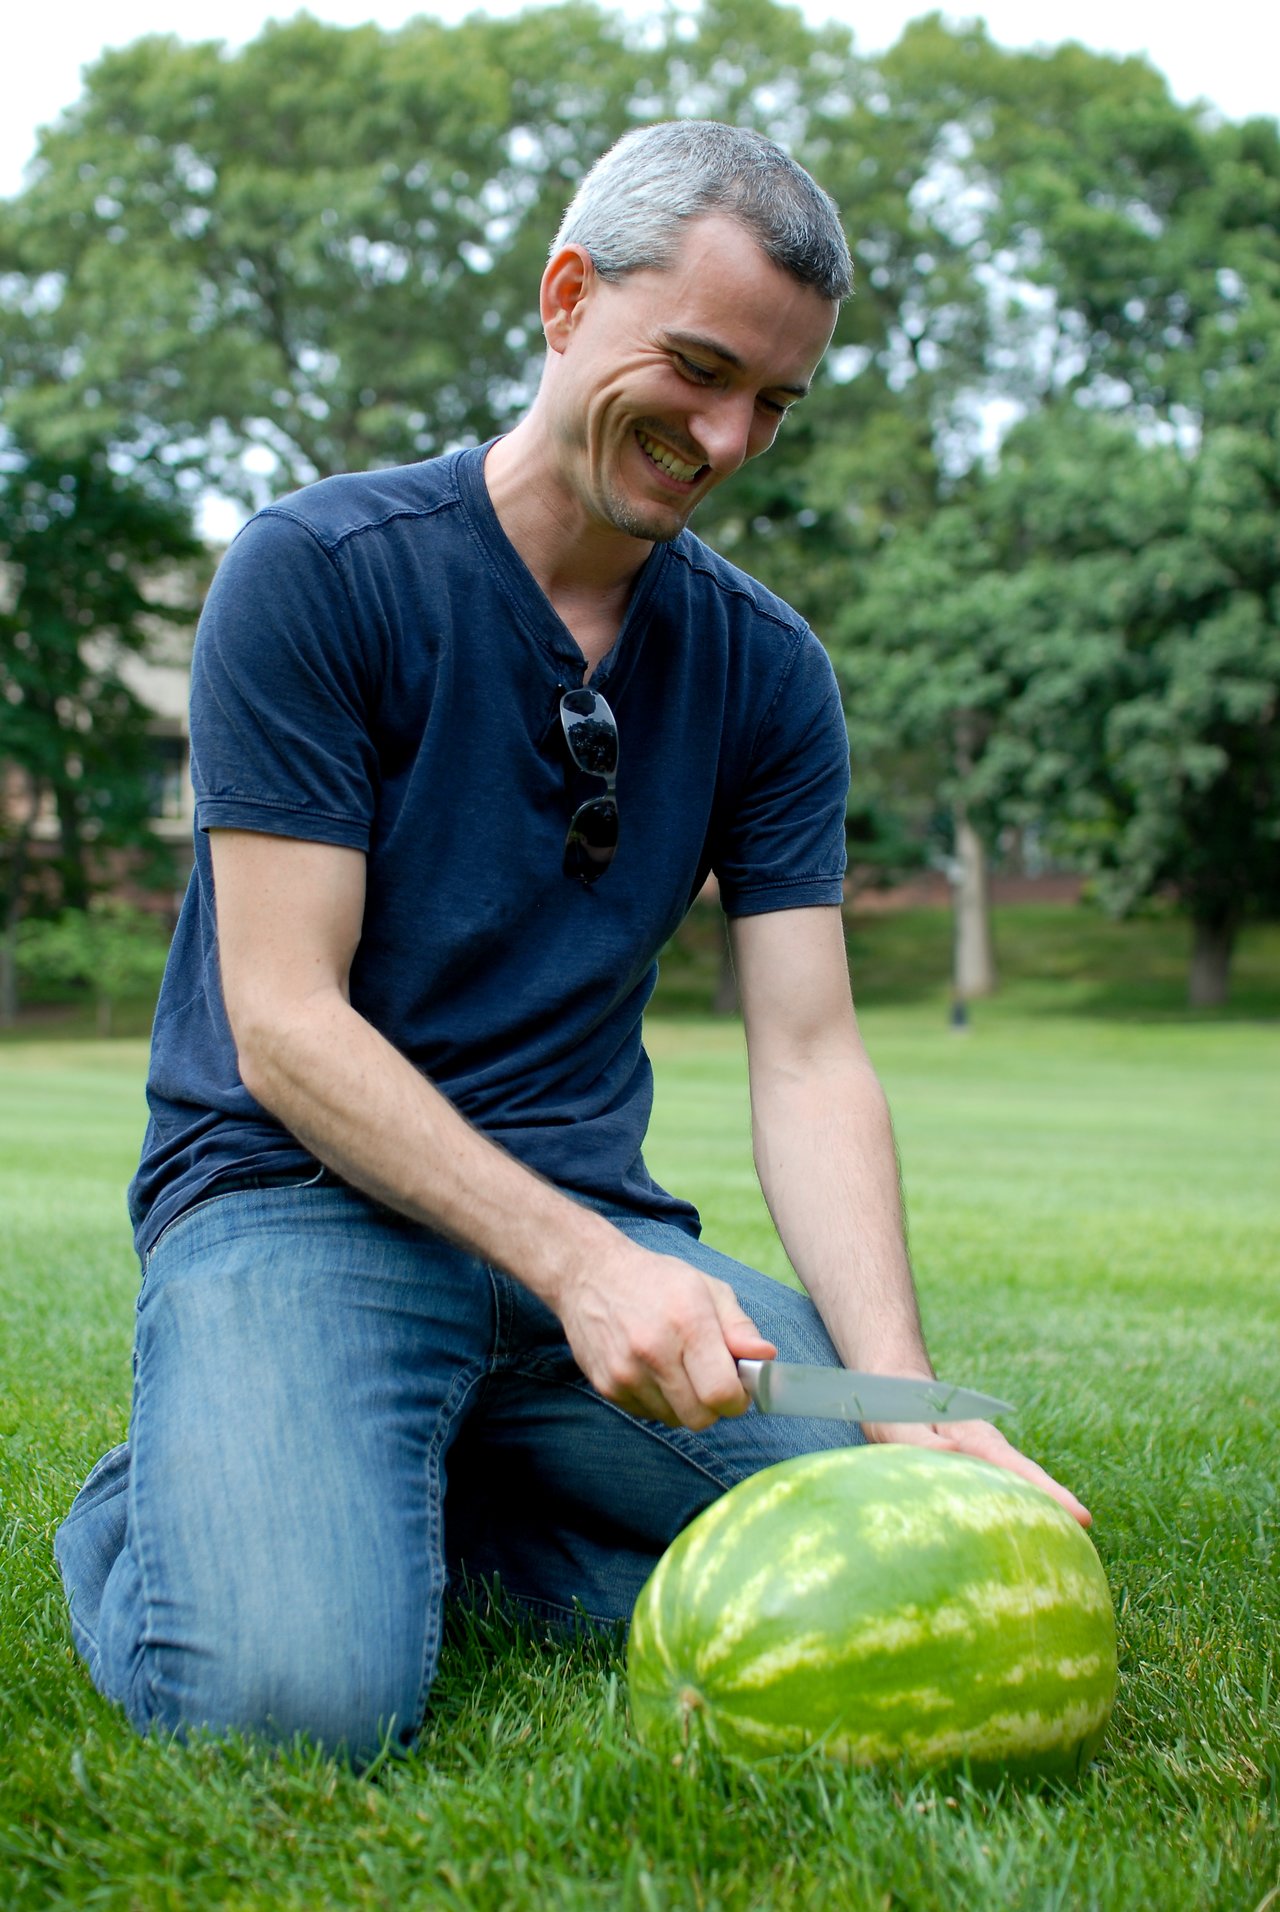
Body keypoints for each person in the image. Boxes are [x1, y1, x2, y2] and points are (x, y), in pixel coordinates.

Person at [55, 120, 1088, 1765]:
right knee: (291, 1705)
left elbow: (811, 1051)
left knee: (888, 1529)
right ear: (563, 297)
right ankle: (170, 1497)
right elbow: (283, 1022)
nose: (729, 438)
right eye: (697, 368)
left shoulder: (766, 671)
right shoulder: (317, 577)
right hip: (296, 1205)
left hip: (594, 1244)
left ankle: (433, 1500)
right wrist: (587, 1267)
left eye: (776, 402)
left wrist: (897, 1399)